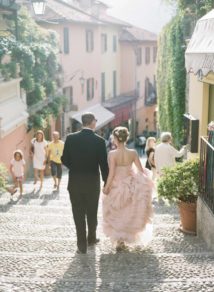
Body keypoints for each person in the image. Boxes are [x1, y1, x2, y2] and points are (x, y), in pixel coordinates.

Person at [61, 113, 109, 254]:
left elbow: (64, 159)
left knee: (78, 213)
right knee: (92, 212)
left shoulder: (70, 138)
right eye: (95, 120)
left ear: (83, 123)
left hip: (75, 182)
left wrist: (75, 167)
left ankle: (81, 245)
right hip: (92, 182)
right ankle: (91, 239)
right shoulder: (99, 141)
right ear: (92, 122)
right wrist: (107, 182)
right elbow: (103, 165)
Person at [102, 126, 154, 252]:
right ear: (126, 139)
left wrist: (106, 187)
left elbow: (112, 173)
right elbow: (141, 171)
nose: (113, 140)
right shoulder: (133, 153)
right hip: (131, 185)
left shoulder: (112, 154)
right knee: (129, 212)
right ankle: (124, 239)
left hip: (116, 186)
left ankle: (119, 241)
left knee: (117, 213)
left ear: (115, 139)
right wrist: (140, 183)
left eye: (113, 138)